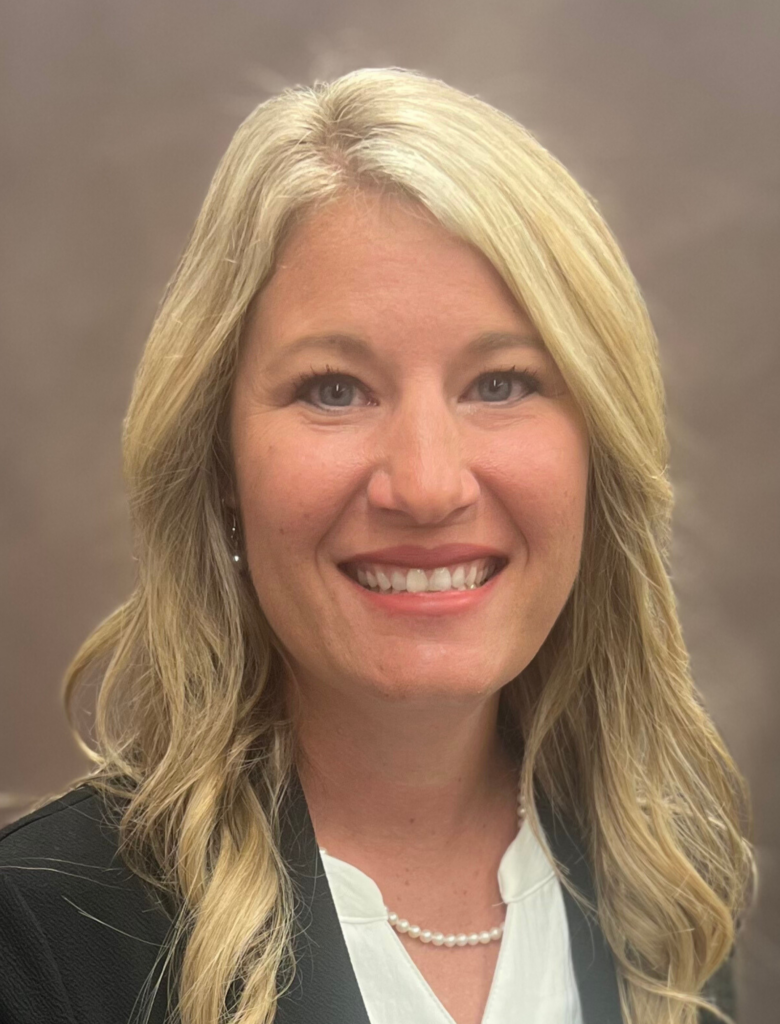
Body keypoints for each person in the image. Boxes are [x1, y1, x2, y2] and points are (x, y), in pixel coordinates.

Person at [0, 67, 753, 1024]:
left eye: (501, 383)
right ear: (220, 464)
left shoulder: (671, 900)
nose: (429, 485)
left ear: (600, 449)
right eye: (333, 390)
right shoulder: (38, 945)